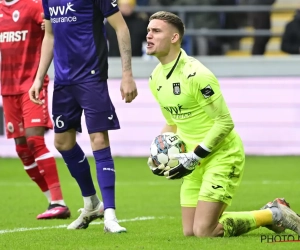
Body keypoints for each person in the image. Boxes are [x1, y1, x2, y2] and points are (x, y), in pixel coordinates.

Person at [146, 11, 300, 237]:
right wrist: (156, 153)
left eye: (156, 31)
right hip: (192, 162)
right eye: (149, 30)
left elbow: (225, 122)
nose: (148, 35)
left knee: (204, 231)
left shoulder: (196, 74)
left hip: (221, 155)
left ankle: (274, 214)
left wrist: (196, 155)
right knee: (190, 232)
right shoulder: (156, 78)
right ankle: (272, 212)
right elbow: (172, 122)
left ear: (174, 37)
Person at [29, 0, 138, 233]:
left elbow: (121, 27)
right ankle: (91, 203)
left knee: (98, 139)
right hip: (63, 81)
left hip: (92, 77)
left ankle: (110, 214)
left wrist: (127, 73)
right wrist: (39, 77)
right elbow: (50, 36)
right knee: (62, 142)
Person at [0, 0, 70, 219]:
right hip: (8, 87)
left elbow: (54, 29)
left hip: (32, 84)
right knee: (21, 149)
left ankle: (58, 201)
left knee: (34, 140)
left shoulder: (33, 5)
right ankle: (53, 202)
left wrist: (48, 25)